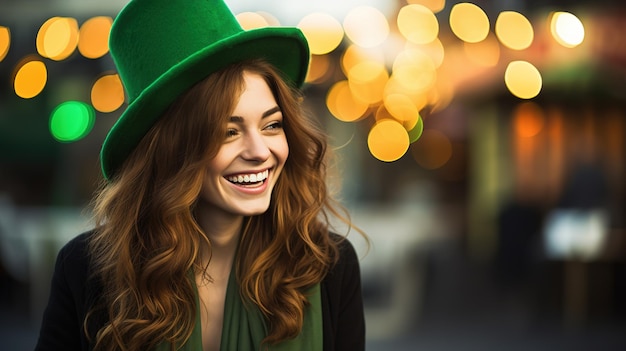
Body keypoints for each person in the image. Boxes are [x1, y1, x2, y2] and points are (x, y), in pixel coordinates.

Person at [34, 0, 366, 350]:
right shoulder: (89, 269)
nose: (259, 152)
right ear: (171, 152)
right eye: (228, 132)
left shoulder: (327, 266)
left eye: (272, 125)